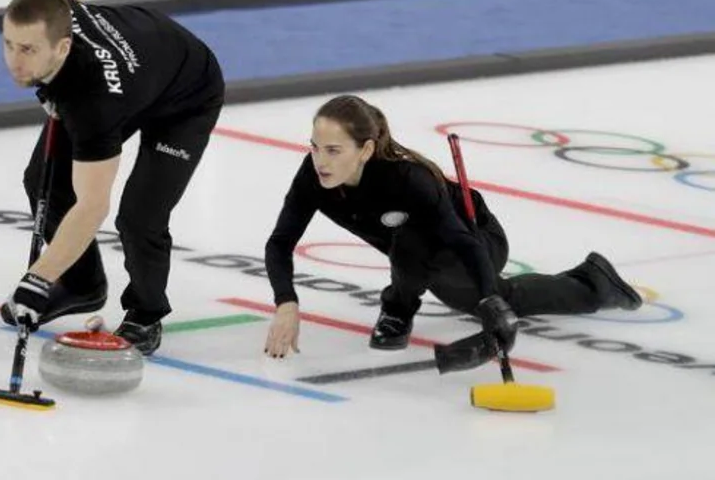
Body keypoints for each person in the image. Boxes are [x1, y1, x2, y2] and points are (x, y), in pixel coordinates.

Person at [262, 94, 642, 361]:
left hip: (475, 240)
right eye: (315, 147)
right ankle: (594, 283)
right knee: (501, 298)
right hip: (421, 259)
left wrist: (488, 300)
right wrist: (286, 302)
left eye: (333, 150)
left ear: (365, 150)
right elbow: (279, 242)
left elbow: (461, 240)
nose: (320, 161)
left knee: (428, 250)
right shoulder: (313, 177)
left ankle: (397, 310)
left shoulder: (408, 180)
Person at [0, 0, 225, 355]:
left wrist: (38, 279)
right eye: (9, 44)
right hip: (138, 70)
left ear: (62, 47)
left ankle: (146, 312)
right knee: (43, 181)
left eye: (28, 50)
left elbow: (92, 206)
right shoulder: (53, 7)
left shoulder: (94, 104)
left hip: (186, 96)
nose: (14, 62)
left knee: (140, 216)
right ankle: (82, 285)